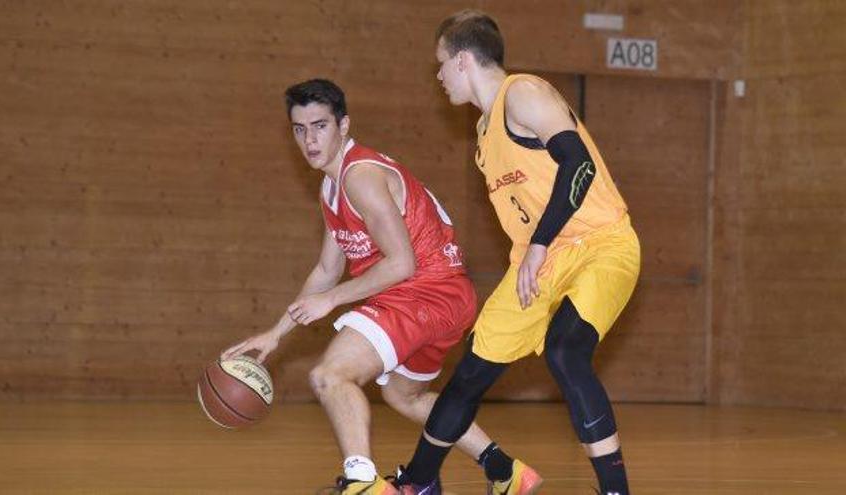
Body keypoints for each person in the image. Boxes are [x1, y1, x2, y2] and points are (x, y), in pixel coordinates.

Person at [222, 79, 515, 495]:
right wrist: (276, 332)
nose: (309, 138)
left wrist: (333, 300)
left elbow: (400, 263)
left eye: (320, 125)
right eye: (299, 128)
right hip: (441, 297)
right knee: (405, 396)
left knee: (330, 375)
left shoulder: (360, 176)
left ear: (344, 125)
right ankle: (506, 471)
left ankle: (364, 484)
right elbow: (326, 269)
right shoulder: (332, 185)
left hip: (423, 291)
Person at [395, 10, 641, 495]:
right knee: (470, 373)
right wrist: (535, 251)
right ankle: (418, 482)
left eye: (441, 65)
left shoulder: (524, 93)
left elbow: (579, 165)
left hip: (601, 244)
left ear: (463, 60)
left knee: (566, 351)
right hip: (538, 261)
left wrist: (540, 245)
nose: (439, 76)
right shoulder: (485, 134)